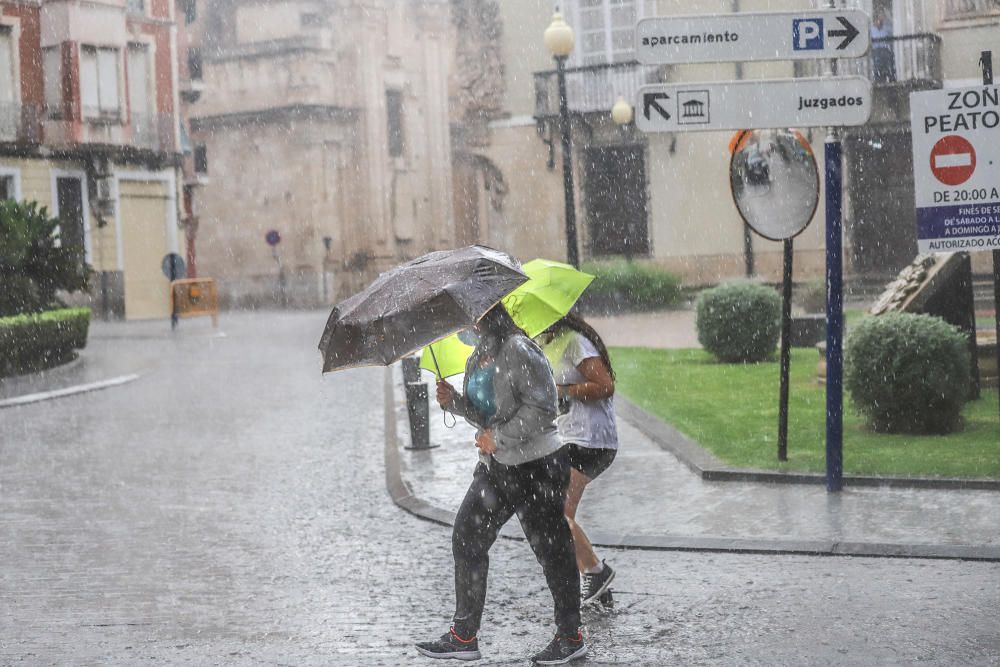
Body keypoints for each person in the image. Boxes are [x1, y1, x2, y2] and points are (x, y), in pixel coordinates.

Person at [415, 303, 587, 665]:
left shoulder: (518, 350)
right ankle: (464, 636)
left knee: (551, 550)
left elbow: (543, 409)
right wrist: (457, 403)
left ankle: (571, 636)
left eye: (469, 317)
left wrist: (500, 438)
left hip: (536, 466)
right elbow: (488, 413)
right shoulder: (480, 353)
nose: (464, 324)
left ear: (487, 315)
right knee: (467, 536)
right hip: (498, 467)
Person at [536, 312, 618, 607]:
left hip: (590, 440)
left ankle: (596, 572)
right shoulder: (546, 344)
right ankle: (597, 582)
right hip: (567, 438)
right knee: (554, 514)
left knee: (555, 514)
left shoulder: (576, 343)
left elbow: (605, 385)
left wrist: (564, 391)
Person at [870, 12, 896, 83]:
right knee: (877, 67)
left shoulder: (886, 29)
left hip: (885, 50)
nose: (880, 21)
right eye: (879, 19)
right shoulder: (871, 30)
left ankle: (889, 79)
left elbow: (892, 36)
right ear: (875, 20)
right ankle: (878, 80)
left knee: (887, 66)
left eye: (882, 20)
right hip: (876, 51)